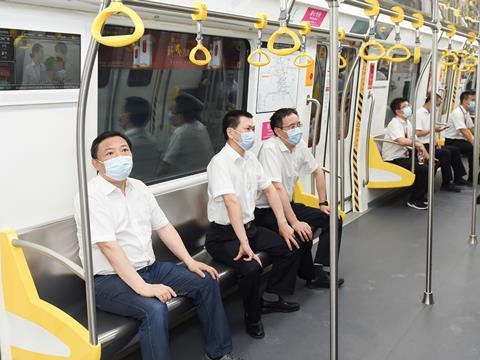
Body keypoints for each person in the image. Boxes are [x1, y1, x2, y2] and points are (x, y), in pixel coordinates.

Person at [74, 131, 241, 360]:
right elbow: (109, 248)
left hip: (150, 268)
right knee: (154, 309)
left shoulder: (139, 188)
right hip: (108, 280)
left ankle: (219, 354)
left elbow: (164, 227)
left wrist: (190, 262)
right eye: (110, 153)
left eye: (124, 150)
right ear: (96, 163)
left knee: (205, 281)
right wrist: (143, 288)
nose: (120, 157)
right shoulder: (91, 196)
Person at [205, 110, 302, 340]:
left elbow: (269, 189)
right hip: (223, 236)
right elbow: (231, 202)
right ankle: (253, 316)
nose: (252, 134)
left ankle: (268, 298)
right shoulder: (220, 163)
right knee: (250, 268)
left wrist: (283, 223)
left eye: (253, 129)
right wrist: (244, 243)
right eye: (248, 129)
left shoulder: (250, 158)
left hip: (249, 228)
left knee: (290, 247)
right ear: (231, 132)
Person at [254, 108, 344, 290]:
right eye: (291, 126)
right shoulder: (270, 149)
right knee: (300, 233)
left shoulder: (300, 144)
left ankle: (318, 269)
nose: (297, 130)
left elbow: (318, 172)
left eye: (298, 125)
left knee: (333, 219)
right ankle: (300, 277)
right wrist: (293, 222)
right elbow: (277, 188)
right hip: (266, 210)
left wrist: (322, 203)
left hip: (288, 204)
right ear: (278, 131)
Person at [382, 98, 430, 210]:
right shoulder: (394, 124)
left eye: (408, 105)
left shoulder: (407, 122)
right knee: (423, 169)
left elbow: (416, 140)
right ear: (398, 111)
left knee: (430, 164)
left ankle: (421, 194)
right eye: (405, 106)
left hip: (404, 155)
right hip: (393, 158)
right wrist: (419, 146)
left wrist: (427, 155)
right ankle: (414, 200)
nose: (409, 108)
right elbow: (401, 141)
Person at [415, 94, 465, 192]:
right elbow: (418, 133)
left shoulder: (429, 114)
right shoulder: (419, 114)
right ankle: (446, 183)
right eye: (437, 104)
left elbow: (430, 132)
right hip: (422, 147)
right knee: (445, 153)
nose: (438, 107)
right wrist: (433, 129)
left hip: (430, 143)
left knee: (454, 149)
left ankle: (458, 177)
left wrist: (435, 141)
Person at [158, 93, 214, 176]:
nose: (170, 115)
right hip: (205, 173)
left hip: (188, 176)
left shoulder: (181, 132)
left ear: (180, 116)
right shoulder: (200, 126)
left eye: (172, 112)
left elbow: (165, 164)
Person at [119, 96, 160, 181]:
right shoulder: (153, 142)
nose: (120, 116)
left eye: (122, 112)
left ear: (127, 116)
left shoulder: (120, 145)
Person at [445, 90, 476, 184]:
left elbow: (471, 128)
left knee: (474, 148)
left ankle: (472, 176)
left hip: (460, 141)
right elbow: (464, 130)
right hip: (452, 141)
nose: (475, 102)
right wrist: (475, 143)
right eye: (473, 100)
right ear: (465, 101)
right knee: (473, 149)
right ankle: (472, 177)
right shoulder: (457, 113)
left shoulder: (466, 113)